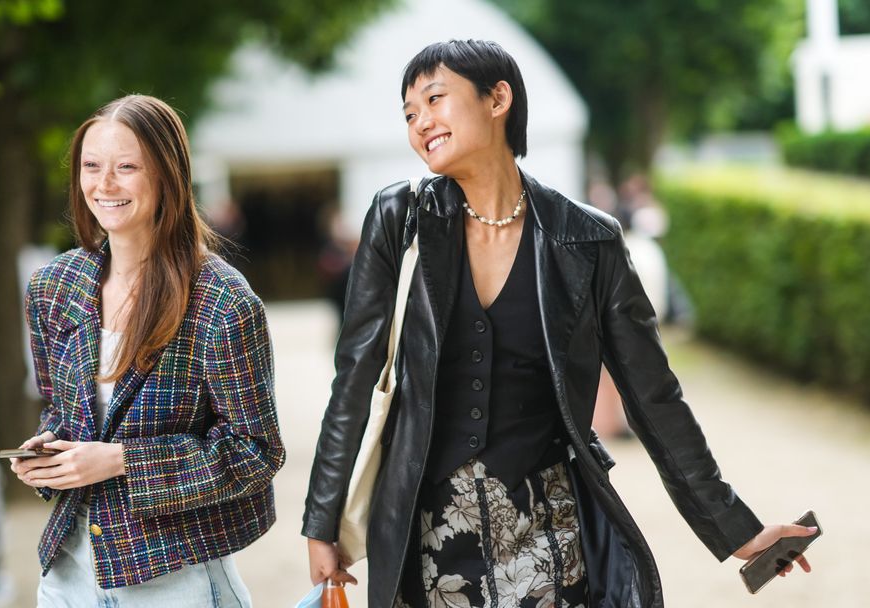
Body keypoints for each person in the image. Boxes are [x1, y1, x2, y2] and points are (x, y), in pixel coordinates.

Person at [302, 40, 814, 608]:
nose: (421, 122)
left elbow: (654, 398)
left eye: (434, 99)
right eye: (409, 114)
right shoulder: (399, 220)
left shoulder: (588, 240)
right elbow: (354, 377)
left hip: (547, 530)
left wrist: (736, 529)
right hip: (426, 533)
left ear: (498, 98)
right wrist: (322, 522)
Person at [11, 94, 285, 607]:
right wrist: (48, 454)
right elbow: (62, 410)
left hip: (174, 575)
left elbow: (257, 452)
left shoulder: (223, 302)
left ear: (167, 177)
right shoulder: (53, 286)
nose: (104, 184)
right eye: (91, 166)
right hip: (69, 575)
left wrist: (120, 461)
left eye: (126, 167)